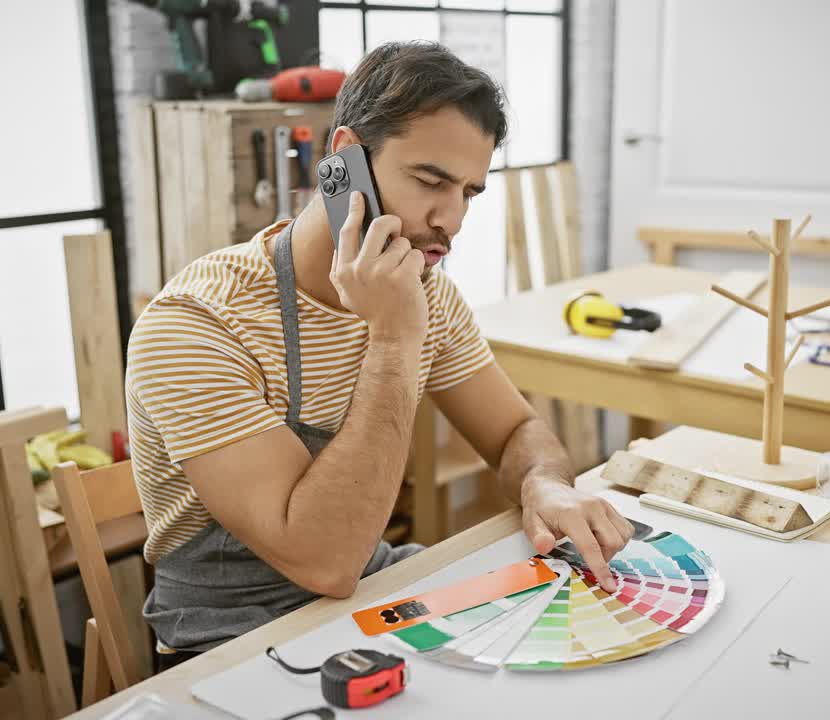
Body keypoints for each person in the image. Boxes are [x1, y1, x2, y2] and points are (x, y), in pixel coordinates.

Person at [125, 41, 633, 663]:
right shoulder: (198, 324)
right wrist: (394, 339)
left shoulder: (423, 291)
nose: (452, 220)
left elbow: (515, 432)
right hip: (230, 641)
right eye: (430, 181)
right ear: (344, 162)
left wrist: (545, 484)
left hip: (371, 591)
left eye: (470, 192)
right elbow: (326, 561)